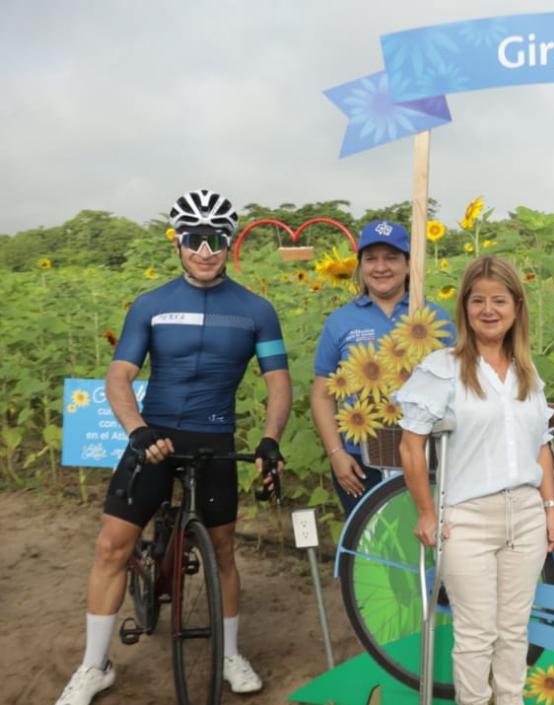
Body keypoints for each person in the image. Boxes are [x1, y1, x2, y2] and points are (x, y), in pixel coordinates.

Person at [56, 189, 292, 705]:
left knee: (224, 550)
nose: (205, 250)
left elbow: (278, 382)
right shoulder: (152, 304)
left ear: (230, 243)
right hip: (154, 435)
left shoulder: (256, 309)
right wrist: (137, 431)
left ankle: (229, 653)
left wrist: (270, 439)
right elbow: (118, 376)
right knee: (111, 547)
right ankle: (94, 666)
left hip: (214, 438)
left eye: (216, 239)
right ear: (179, 243)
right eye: (194, 239)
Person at [394, 255, 554, 705]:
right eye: (478, 301)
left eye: (499, 301)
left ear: (516, 307)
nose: (489, 310)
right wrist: (427, 513)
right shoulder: (443, 367)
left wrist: (550, 507)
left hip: (525, 515)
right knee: (476, 634)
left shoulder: (526, 370)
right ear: (465, 307)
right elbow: (412, 444)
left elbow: (541, 444)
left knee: (513, 630)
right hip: (467, 517)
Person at [311, 219, 453, 514]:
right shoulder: (340, 321)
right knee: (371, 548)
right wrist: (336, 453)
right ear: (360, 265)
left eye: (391, 258)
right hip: (360, 459)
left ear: (408, 264)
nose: (381, 267)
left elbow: (458, 385)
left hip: (428, 455)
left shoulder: (433, 318)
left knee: (424, 544)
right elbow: (323, 394)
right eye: (371, 258)